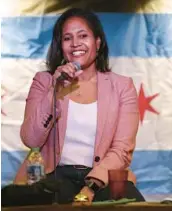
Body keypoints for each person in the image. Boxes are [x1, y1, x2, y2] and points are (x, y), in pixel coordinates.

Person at [14, 8, 145, 203]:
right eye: (67, 38)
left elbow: (121, 149)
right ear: (61, 46)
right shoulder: (44, 82)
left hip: (103, 177)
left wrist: (90, 187)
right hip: (54, 176)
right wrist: (55, 92)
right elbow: (31, 140)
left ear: (97, 43)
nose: (75, 43)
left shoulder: (122, 86)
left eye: (83, 36)